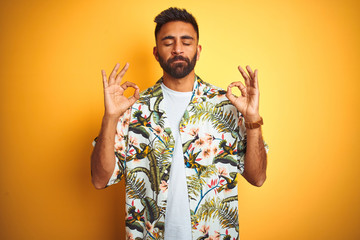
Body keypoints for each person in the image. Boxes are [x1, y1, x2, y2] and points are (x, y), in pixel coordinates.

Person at [91, 7, 268, 240]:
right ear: (156, 52)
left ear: (198, 50)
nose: (177, 49)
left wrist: (253, 120)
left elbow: (258, 177)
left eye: (186, 42)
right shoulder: (133, 109)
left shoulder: (227, 106)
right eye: (168, 42)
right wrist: (110, 118)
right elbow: (99, 179)